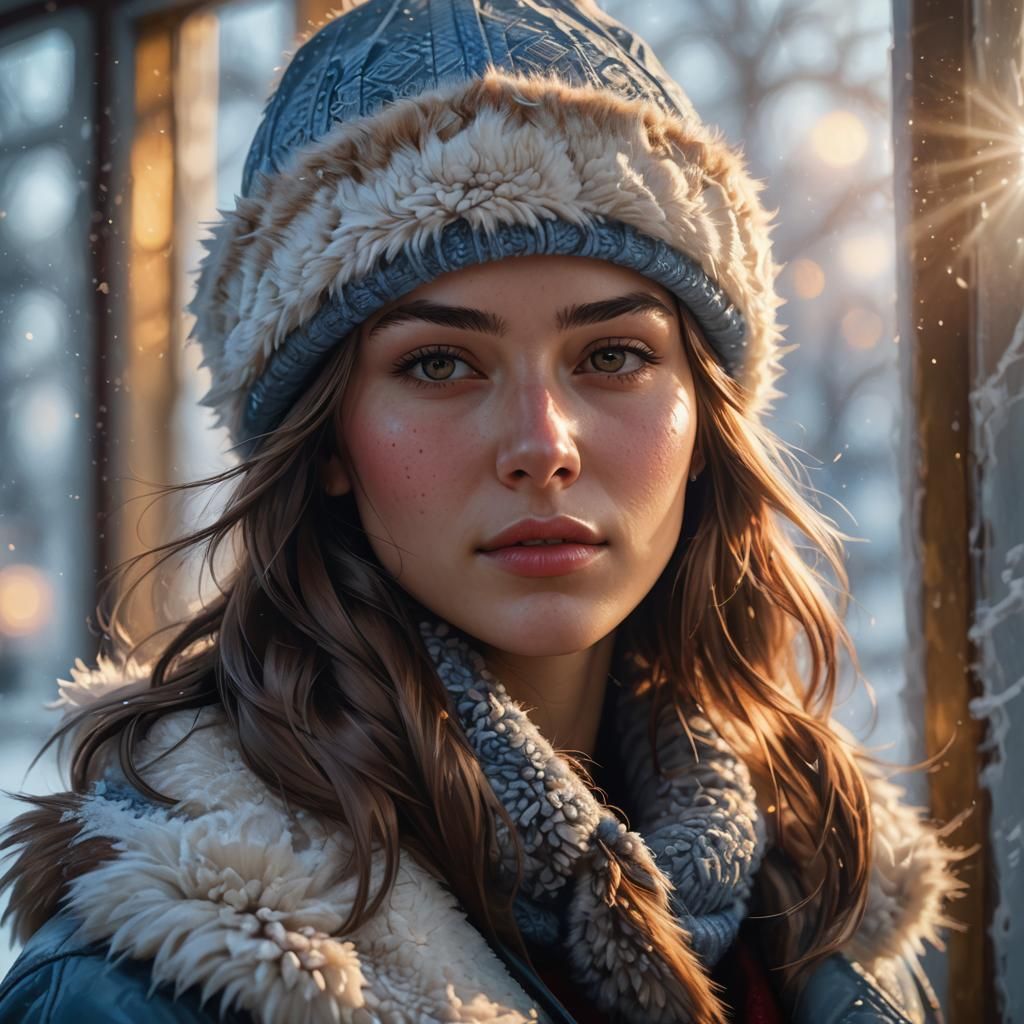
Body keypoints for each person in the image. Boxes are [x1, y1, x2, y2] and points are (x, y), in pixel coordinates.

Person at [0, 1, 968, 1022]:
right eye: (439, 363)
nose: (543, 445)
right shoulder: (142, 985)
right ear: (327, 441)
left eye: (612, 356)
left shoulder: (826, 876)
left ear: (701, 415)